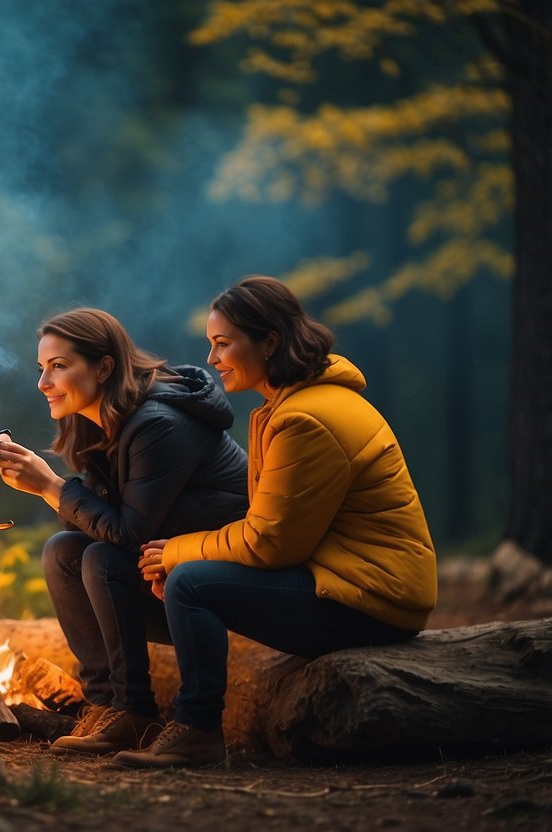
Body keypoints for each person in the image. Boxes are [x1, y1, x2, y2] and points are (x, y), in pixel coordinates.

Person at [120, 275, 438, 769]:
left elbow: (270, 543)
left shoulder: (306, 419)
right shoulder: (290, 406)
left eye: (223, 344)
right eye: (211, 344)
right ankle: (130, 709)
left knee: (190, 583)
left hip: (370, 600)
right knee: (187, 576)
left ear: (268, 341)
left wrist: (180, 550)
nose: (212, 359)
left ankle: (197, 729)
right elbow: (273, 525)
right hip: (351, 581)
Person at [0, 308, 249, 755]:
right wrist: (48, 490)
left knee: (102, 559)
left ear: (104, 367)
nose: (43, 384)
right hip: (162, 571)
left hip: (217, 581)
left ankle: (135, 709)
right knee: (64, 552)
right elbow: (98, 526)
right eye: (41, 369)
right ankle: (109, 706)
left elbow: (126, 534)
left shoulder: (158, 425)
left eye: (58, 367)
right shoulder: (100, 422)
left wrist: (52, 487)